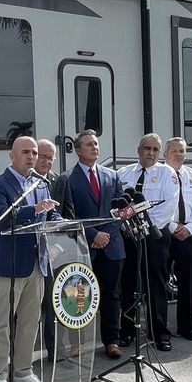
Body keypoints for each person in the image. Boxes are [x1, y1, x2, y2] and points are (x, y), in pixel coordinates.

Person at [0, 136, 62, 382]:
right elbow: (0, 217)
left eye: (34, 153)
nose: (31, 157)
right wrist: (35, 209)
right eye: (26, 152)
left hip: (36, 262)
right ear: (12, 155)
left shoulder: (40, 183)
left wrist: (59, 221)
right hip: (9, 263)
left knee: (31, 321)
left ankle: (23, 371)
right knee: (4, 322)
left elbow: (49, 212)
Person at [63, 130, 125, 358]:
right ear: (77, 150)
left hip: (112, 246)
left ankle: (111, 341)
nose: (94, 147)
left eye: (96, 144)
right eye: (89, 144)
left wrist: (106, 234)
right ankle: (77, 343)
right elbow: (68, 215)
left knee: (112, 295)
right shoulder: (67, 179)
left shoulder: (112, 176)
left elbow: (120, 210)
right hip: (82, 246)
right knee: (78, 295)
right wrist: (93, 235)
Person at [116, 134, 179, 352]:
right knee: (128, 284)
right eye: (146, 148)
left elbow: (168, 208)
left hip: (155, 237)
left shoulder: (167, 174)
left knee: (156, 285)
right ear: (138, 149)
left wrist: (143, 229)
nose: (150, 153)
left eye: (155, 149)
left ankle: (159, 333)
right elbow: (116, 206)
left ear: (159, 152)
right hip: (128, 237)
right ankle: (127, 330)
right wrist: (127, 228)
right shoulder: (123, 173)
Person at [163, 138, 192, 341]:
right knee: (159, 283)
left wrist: (189, 228)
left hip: (189, 234)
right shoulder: (158, 174)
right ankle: (159, 329)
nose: (178, 155)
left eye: (182, 151)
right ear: (165, 154)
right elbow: (155, 207)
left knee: (189, 282)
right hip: (164, 233)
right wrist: (173, 227)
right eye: (174, 151)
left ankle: (187, 326)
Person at [34, 138, 75, 359]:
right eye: (43, 157)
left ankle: (55, 351)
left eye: (51, 158)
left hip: (54, 253)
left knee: (53, 304)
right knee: (28, 309)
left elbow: (67, 215)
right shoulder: (25, 181)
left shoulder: (59, 181)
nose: (47, 162)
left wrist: (57, 246)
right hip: (29, 252)